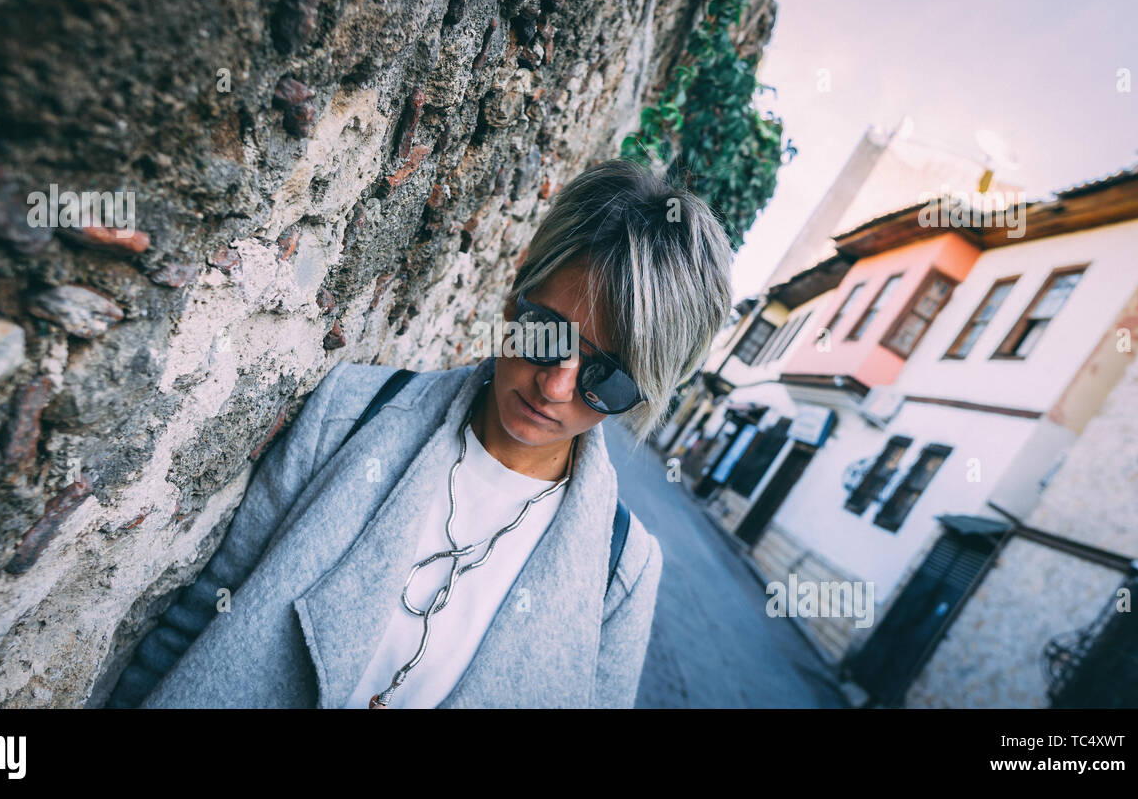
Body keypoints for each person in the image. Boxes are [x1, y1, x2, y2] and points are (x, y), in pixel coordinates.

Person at [107, 158, 735, 709]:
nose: (556, 387)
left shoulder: (621, 570)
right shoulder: (351, 413)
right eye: (548, 335)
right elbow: (197, 621)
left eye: (607, 377)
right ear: (518, 291)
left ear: (644, 392)